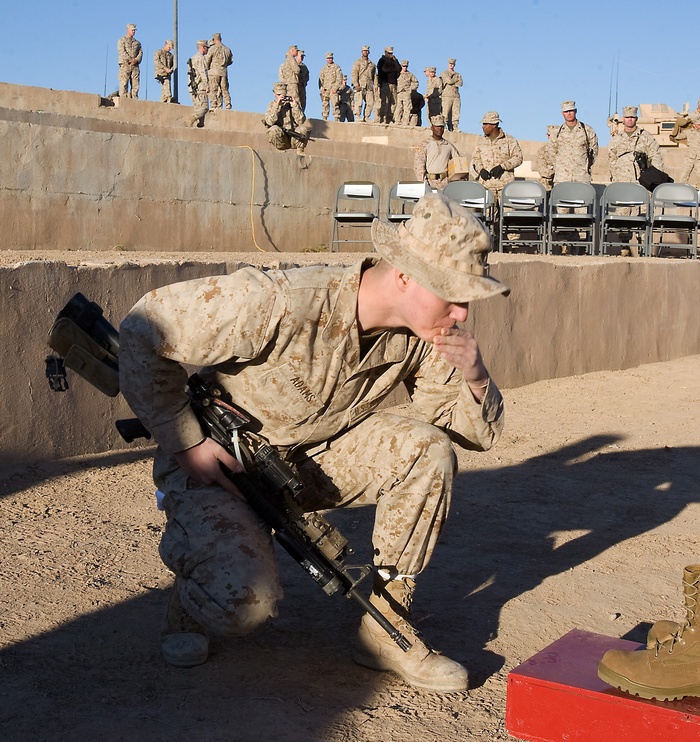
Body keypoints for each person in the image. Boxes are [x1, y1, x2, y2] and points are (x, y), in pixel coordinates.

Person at [117, 191, 509, 694]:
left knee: (427, 448)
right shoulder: (283, 300)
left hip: (309, 467)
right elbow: (144, 327)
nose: (461, 312)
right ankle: (191, 596)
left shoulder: (422, 335)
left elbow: (465, 431)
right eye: (452, 294)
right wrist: (185, 441)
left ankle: (385, 630)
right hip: (218, 467)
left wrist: (475, 377)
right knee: (243, 607)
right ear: (404, 276)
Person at [471, 111, 523, 206]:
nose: (483, 127)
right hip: (486, 185)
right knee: (488, 217)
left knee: (507, 216)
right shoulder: (480, 141)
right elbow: (476, 159)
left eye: (486, 124)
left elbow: (518, 158)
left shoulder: (509, 140)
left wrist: (502, 167)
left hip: (505, 185)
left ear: (494, 125)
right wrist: (480, 170)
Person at [607, 105, 663, 183]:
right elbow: (611, 160)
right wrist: (615, 176)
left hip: (641, 180)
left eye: (632, 117)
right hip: (620, 180)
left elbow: (656, 157)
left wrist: (653, 177)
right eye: (627, 117)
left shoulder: (646, 136)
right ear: (623, 119)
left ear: (636, 119)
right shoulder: (616, 139)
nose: (630, 119)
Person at [551, 101, 599, 185]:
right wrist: (559, 167)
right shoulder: (556, 132)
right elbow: (551, 151)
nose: (569, 114)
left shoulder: (587, 130)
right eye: (566, 112)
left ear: (575, 111)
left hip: (581, 177)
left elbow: (594, 151)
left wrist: (585, 165)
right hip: (562, 178)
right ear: (562, 113)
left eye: (571, 111)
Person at [262, 82, 311, 153]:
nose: (281, 97)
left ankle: (300, 150)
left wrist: (294, 106)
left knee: (303, 129)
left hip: (293, 136)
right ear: (274, 94)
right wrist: (277, 106)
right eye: (279, 95)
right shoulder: (272, 105)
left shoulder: (292, 104)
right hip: (282, 137)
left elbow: (301, 121)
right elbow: (270, 122)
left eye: (283, 95)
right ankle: (281, 150)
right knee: (273, 130)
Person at [414, 115, 459, 190]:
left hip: (445, 184)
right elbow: (419, 166)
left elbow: (458, 162)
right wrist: (424, 185)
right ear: (432, 128)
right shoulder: (424, 145)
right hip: (429, 183)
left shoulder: (449, 146)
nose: (439, 129)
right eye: (437, 126)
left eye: (441, 126)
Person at [206, 33, 234, 110]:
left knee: (213, 89)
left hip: (214, 72)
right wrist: (224, 65)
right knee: (224, 89)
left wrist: (208, 67)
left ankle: (214, 105)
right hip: (223, 72)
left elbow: (207, 60)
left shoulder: (212, 48)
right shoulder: (227, 49)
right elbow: (231, 61)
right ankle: (228, 104)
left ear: (214, 40)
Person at [187, 40, 209, 128]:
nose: (207, 50)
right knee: (204, 108)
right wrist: (207, 85)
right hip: (200, 87)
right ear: (203, 47)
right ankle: (191, 119)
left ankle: (199, 125)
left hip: (193, 88)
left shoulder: (193, 58)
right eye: (206, 48)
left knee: (198, 108)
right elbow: (202, 72)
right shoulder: (200, 58)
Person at [376, 46, 402, 124]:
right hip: (385, 83)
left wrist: (395, 60)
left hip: (393, 84)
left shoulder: (393, 61)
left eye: (391, 53)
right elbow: (384, 70)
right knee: (385, 101)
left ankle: (389, 117)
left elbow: (399, 69)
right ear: (386, 53)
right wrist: (393, 71)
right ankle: (382, 117)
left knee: (393, 102)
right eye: (389, 53)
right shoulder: (382, 60)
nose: (390, 55)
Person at [117, 24, 142, 99]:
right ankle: (123, 98)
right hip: (125, 65)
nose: (133, 31)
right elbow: (122, 51)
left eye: (134, 30)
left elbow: (140, 52)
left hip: (135, 66)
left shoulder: (137, 43)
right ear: (128, 30)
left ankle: (134, 98)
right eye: (132, 30)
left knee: (135, 84)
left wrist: (136, 60)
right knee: (124, 83)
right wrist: (129, 59)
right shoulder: (122, 40)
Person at [352, 46, 376, 121]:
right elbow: (354, 73)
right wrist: (355, 84)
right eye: (364, 51)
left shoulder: (372, 64)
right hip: (360, 84)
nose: (365, 52)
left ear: (369, 52)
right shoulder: (358, 62)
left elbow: (375, 76)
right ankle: (358, 116)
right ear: (362, 52)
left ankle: (367, 116)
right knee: (359, 101)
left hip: (369, 85)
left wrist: (376, 85)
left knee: (370, 102)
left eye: (366, 51)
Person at [319, 52, 345, 121]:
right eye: (328, 58)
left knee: (335, 104)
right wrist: (322, 88)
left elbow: (339, 78)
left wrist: (335, 88)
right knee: (325, 104)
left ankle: (336, 118)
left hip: (333, 89)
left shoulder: (336, 67)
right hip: (326, 89)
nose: (329, 59)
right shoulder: (324, 69)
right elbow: (320, 79)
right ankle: (325, 117)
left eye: (330, 58)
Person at [440, 58, 462, 132]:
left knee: (456, 112)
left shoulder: (457, 74)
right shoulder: (444, 73)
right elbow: (449, 81)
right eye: (450, 64)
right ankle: (444, 126)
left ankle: (455, 127)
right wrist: (455, 80)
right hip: (447, 95)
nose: (451, 65)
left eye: (452, 64)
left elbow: (460, 83)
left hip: (455, 95)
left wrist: (454, 81)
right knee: (445, 112)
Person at [394, 60, 418, 126]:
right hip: (399, 92)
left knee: (407, 108)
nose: (405, 67)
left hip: (406, 93)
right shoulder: (397, 74)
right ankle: (397, 120)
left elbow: (416, 82)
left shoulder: (410, 74)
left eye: (406, 66)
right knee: (398, 107)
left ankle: (405, 121)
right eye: (403, 66)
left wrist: (410, 89)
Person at [535, 125, 558, 190]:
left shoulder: (566, 151)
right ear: (547, 136)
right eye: (552, 136)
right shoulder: (542, 151)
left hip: (563, 185)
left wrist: (551, 167)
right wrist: (557, 169)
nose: (554, 139)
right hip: (547, 187)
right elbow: (543, 171)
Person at [296, 49, 310, 114]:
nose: (302, 58)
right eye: (301, 56)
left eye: (303, 56)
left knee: (303, 103)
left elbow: (307, 76)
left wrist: (304, 83)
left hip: (302, 87)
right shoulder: (291, 64)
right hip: (293, 87)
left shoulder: (304, 67)